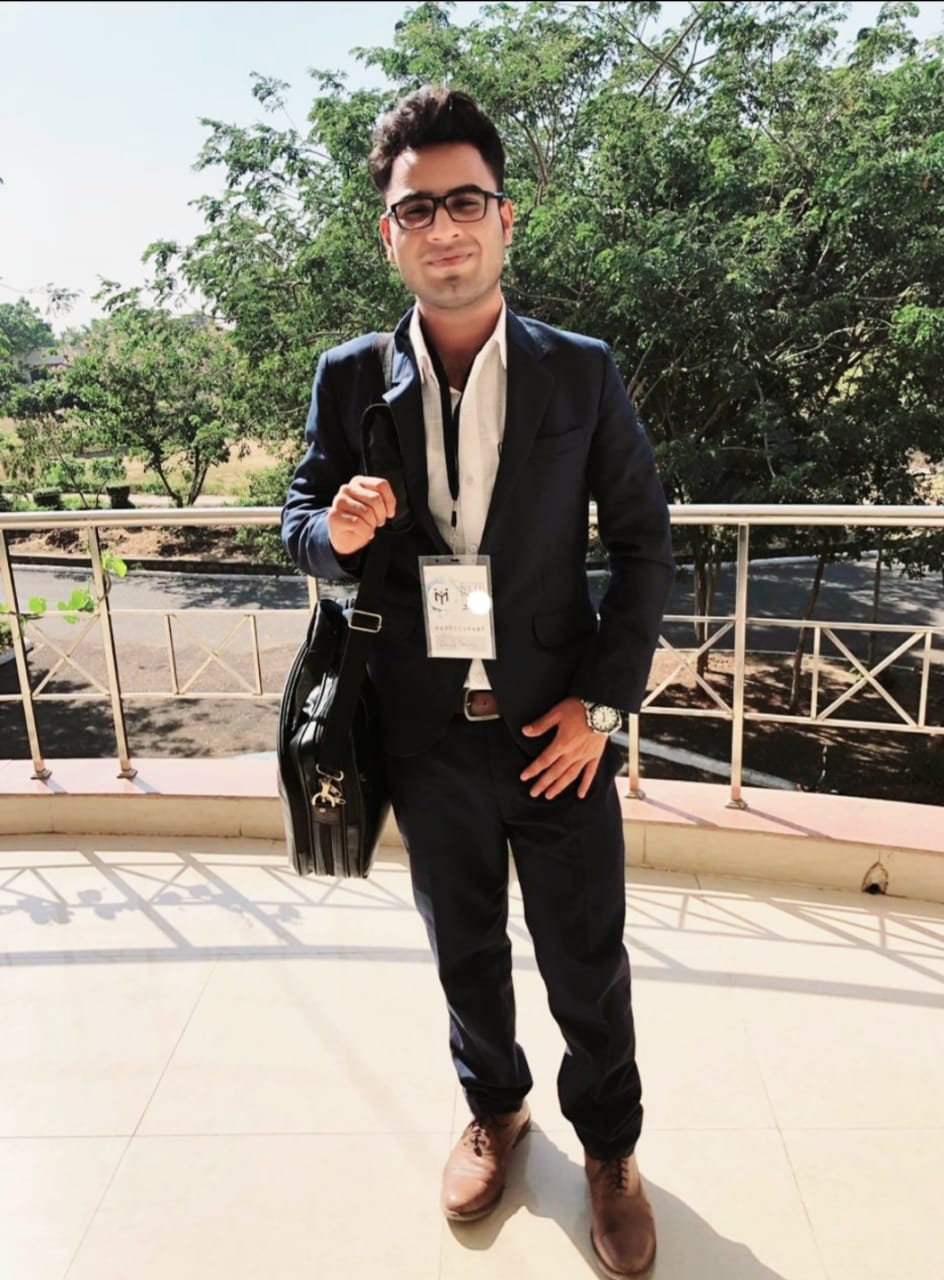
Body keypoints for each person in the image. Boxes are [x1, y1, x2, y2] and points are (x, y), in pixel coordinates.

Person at [282, 86, 674, 1280]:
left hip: (556, 729)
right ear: (387, 234)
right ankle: (495, 1108)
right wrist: (334, 533)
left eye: (466, 202)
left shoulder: (580, 371)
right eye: (418, 209)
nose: (444, 228)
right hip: (424, 734)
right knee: (463, 949)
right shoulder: (349, 377)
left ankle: (609, 1148)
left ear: (506, 218)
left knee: (586, 961)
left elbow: (644, 542)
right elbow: (297, 517)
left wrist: (602, 707)